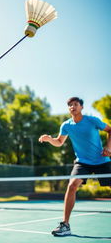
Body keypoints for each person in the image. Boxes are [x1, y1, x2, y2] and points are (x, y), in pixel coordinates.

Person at [39, 97, 111, 236]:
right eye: (70, 105)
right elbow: (59, 142)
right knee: (72, 185)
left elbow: (110, 130)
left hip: (101, 160)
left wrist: (108, 147)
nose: (73, 107)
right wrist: (49, 140)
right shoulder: (66, 125)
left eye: (75, 104)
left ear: (81, 107)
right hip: (82, 162)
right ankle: (65, 225)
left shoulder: (92, 120)